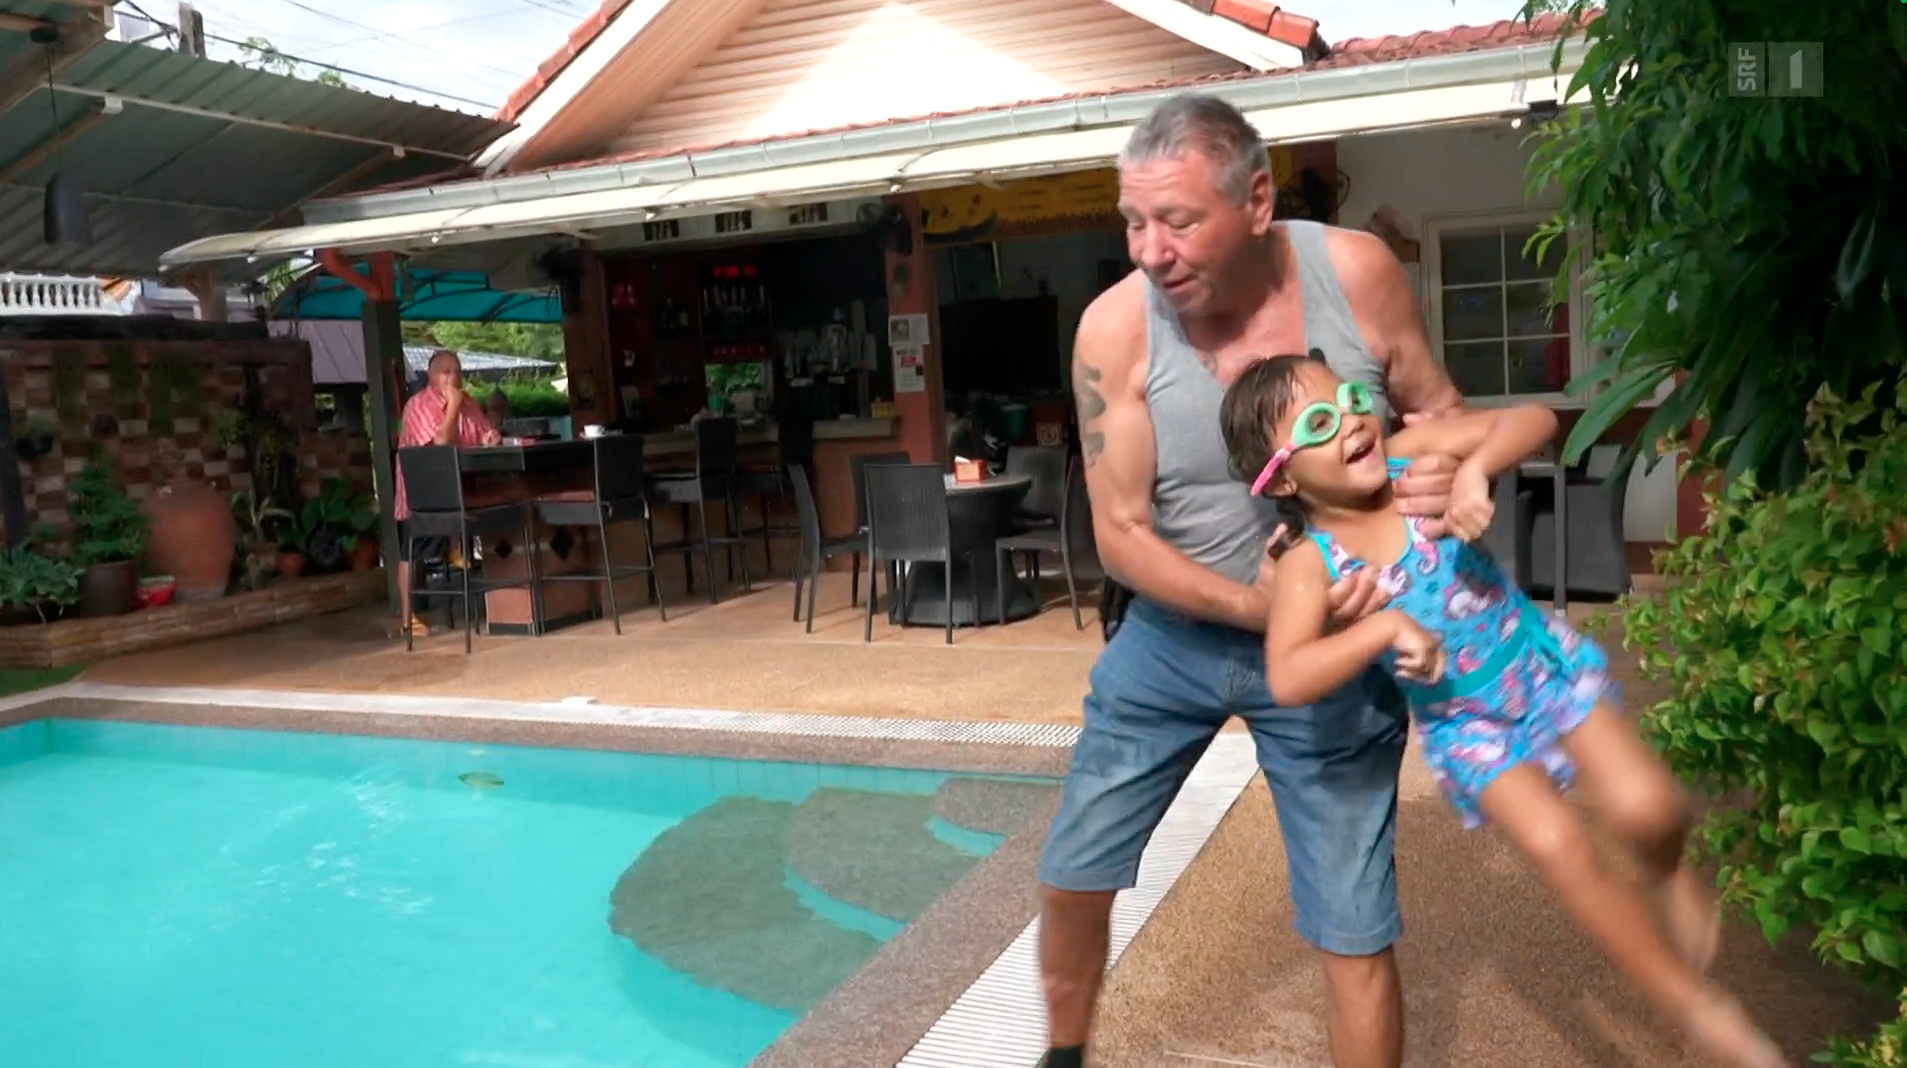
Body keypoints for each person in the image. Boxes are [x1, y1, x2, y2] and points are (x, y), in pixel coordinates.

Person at [1040, 93, 1465, 1068]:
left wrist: (1442, 467)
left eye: (1178, 220)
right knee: (1071, 870)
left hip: (1335, 642)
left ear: (1257, 201)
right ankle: (1061, 1055)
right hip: (1171, 641)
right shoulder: (1114, 331)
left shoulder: (1352, 273)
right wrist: (1257, 606)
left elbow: (1436, 408)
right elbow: (1121, 535)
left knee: (1351, 925)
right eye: (1132, 220)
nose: (1149, 248)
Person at [1225, 353, 1789, 1068]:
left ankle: (1665, 866)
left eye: (1349, 400)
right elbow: (1287, 675)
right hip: (1464, 724)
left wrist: (1473, 466)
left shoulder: (1405, 458)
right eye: (1317, 422)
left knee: (1649, 810)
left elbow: (1535, 420)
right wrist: (1382, 628)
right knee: (1560, 849)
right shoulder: (1311, 563)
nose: (1350, 423)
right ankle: (1696, 1008)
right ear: (1281, 477)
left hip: (1535, 666)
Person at [393, 349, 500, 638]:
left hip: (460, 492)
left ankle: (459, 546)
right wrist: (452, 404)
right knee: (410, 552)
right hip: (424, 497)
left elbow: (484, 432)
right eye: (446, 372)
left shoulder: (468, 403)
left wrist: (490, 437)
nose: (453, 378)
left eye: (457, 371)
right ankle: (407, 618)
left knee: (501, 505)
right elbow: (440, 443)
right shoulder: (417, 406)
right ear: (432, 376)